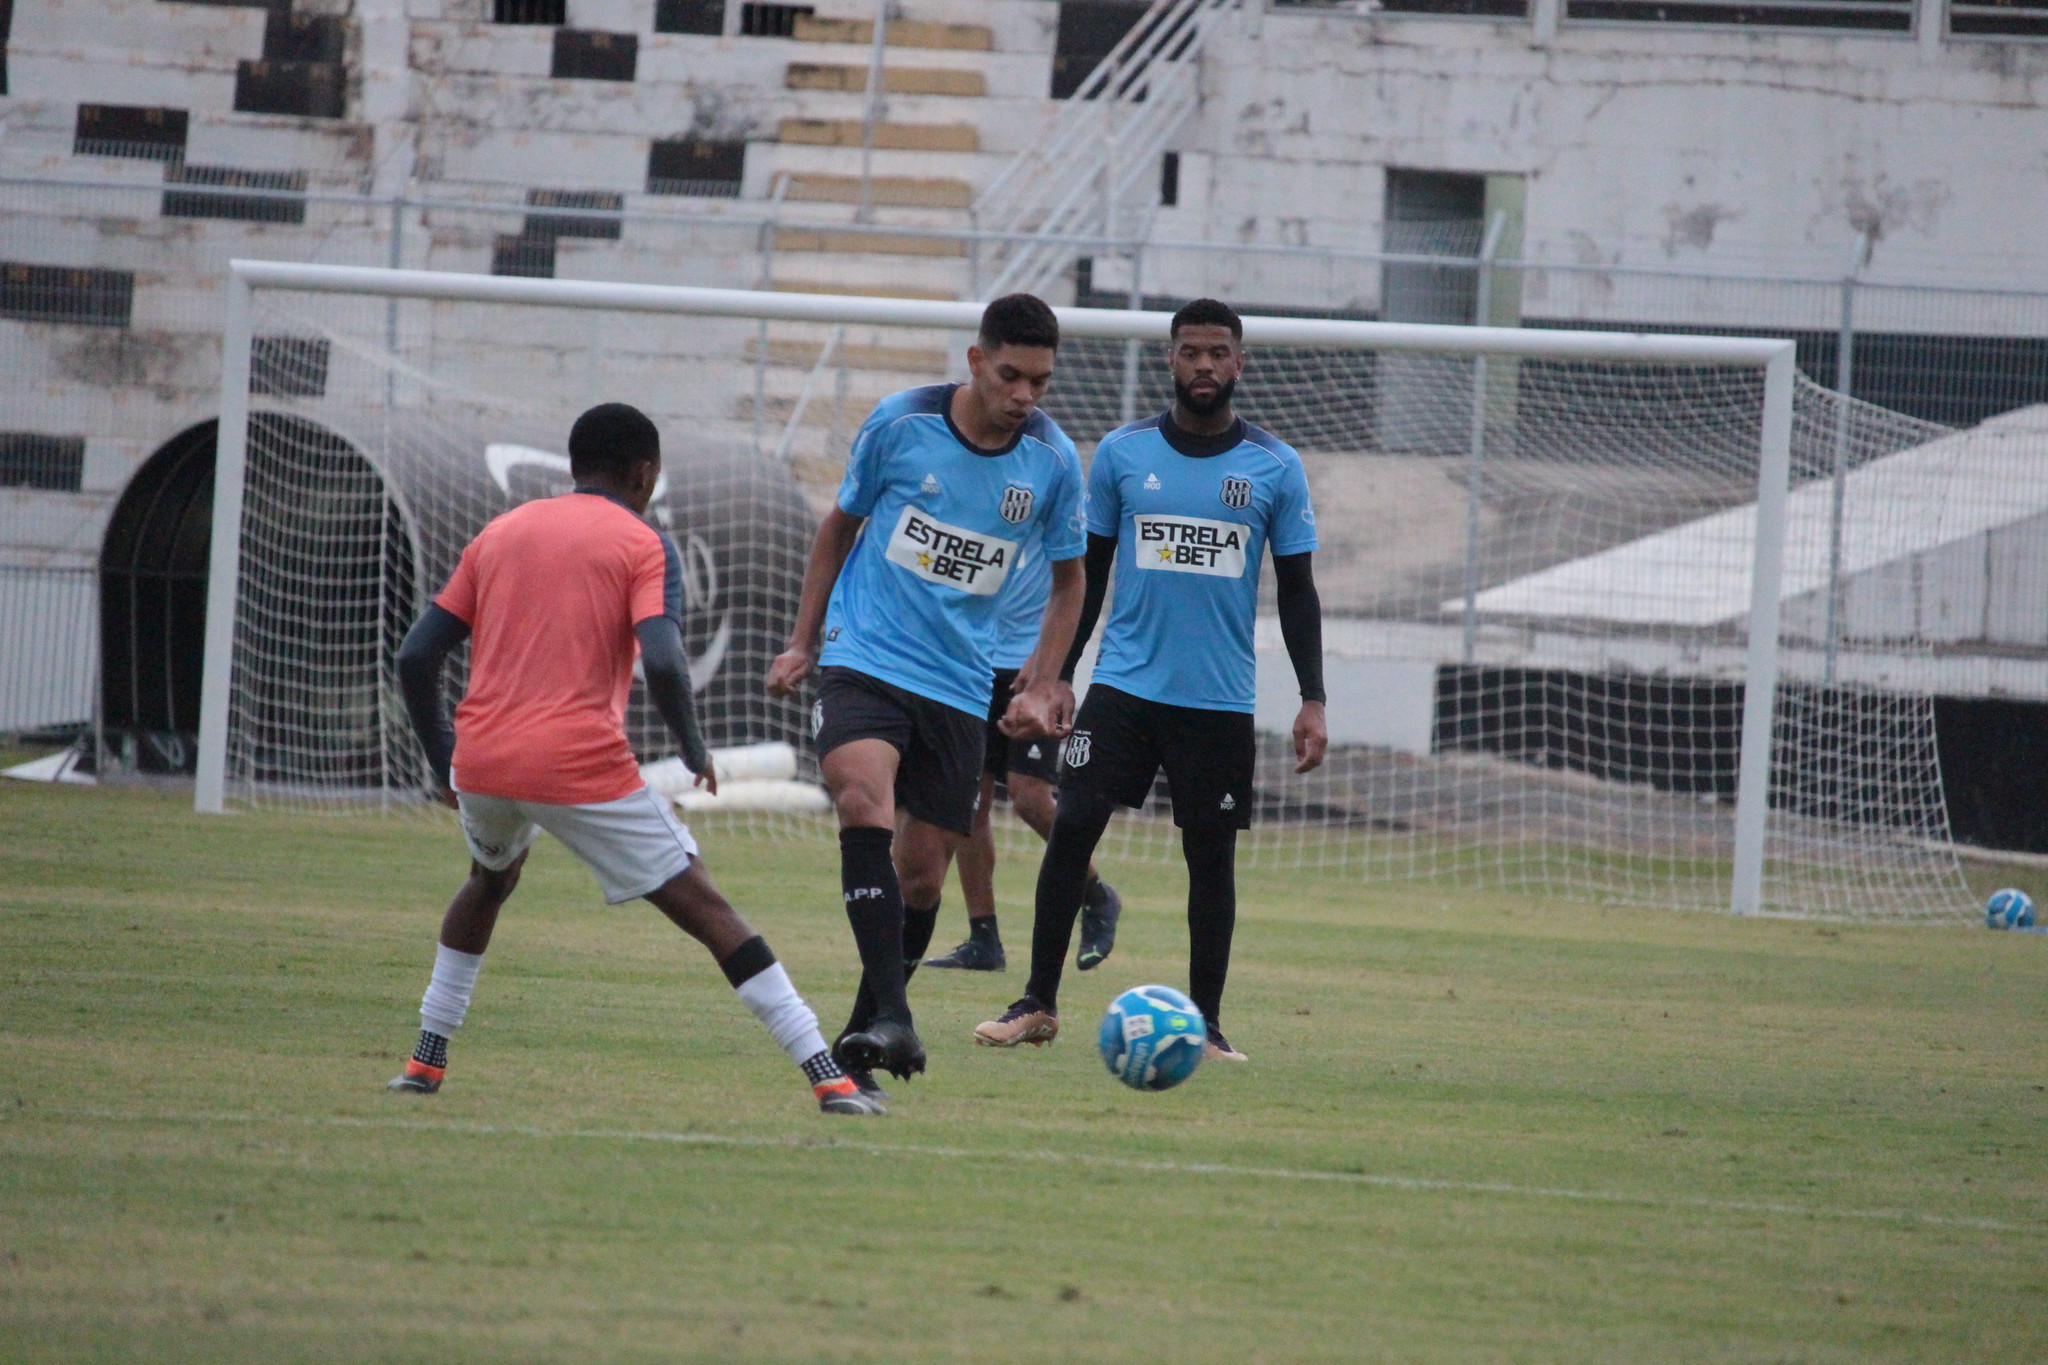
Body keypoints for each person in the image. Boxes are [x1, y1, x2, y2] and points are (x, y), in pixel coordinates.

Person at [386, 402, 882, 1116]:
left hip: (484, 762)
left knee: (488, 881)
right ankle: (828, 1074)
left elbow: (416, 656)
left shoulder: (500, 531)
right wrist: (693, 749)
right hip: (576, 765)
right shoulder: (644, 543)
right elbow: (666, 660)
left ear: (574, 464)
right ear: (644, 473)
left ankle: (425, 1057)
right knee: (709, 909)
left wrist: (445, 767)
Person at [974, 298, 1328, 1063]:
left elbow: (1299, 590)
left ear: (1240, 362)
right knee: (1072, 827)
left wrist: (1313, 698)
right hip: (1124, 685)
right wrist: (1058, 677)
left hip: (1218, 696)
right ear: (1170, 358)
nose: (1204, 365)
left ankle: (1207, 1025)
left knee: (1211, 859)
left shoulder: (1274, 466)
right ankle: (1037, 1002)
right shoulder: (1123, 454)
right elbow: (1087, 576)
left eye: (1218, 352)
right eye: (1190, 351)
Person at [765, 294, 1086, 1091]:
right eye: (1010, 375)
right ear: (975, 361)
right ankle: (897, 1015)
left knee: (920, 880)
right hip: (866, 654)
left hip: (959, 681)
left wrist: (1047, 676)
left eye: (1040, 381)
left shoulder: (1051, 461)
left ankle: (865, 1034)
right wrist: (804, 639)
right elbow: (838, 528)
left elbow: (1070, 580)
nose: (1024, 395)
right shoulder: (901, 423)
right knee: (861, 798)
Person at [923, 533, 1122, 975]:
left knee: (1029, 795)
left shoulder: (1056, 502)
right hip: (973, 662)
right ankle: (983, 938)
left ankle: (1096, 893)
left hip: (1034, 667)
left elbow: (1075, 580)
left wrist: (1048, 663)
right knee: (969, 801)